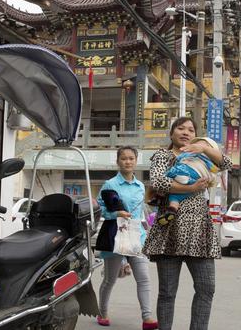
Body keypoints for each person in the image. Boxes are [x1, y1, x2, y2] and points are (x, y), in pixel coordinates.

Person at [143, 117, 232, 330]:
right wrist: (190, 189)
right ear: (172, 133)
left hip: (199, 231)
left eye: (191, 129)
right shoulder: (163, 155)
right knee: (167, 292)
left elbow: (226, 163)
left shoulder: (202, 154)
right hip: (169, 231)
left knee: (206, 288)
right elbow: (158, 182)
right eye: (180, 128)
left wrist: (203, 147)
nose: (186, 132)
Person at [96, 146, 158, 329]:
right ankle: (103, 313)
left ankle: (147, 318)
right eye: (124, 158)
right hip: (115, 236)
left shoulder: (140, 186)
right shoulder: (110, 185)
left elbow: (140, 214)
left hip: (136, 237)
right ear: (118, 161)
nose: (128, 161)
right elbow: (102, 210)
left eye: (131, 158)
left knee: (144, 278)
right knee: (110, 280)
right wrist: (117, 215)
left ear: (136, 160)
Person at [157, 137, 220, 226]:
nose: (196, 146)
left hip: (192, 174)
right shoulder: (192, 155)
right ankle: (172, 210)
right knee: (174, 197)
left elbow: (179, 158)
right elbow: (214, 170)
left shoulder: (201, 157)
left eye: (200, 144)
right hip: (194, 186)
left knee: (170, 174)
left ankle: (175, 181)